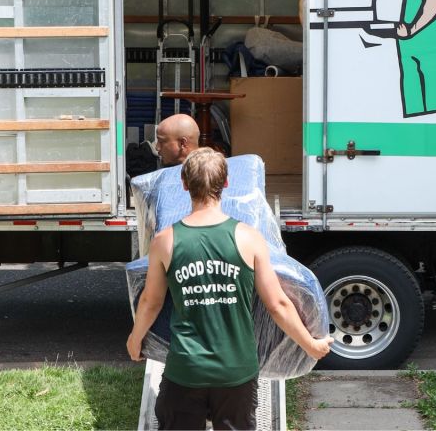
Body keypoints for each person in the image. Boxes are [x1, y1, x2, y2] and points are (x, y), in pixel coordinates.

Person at [127, 148, 333, 430]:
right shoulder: (250, 238)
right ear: (225, 184)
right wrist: (311, 345)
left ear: (184, 185)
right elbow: (278, 305)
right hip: (237, 371)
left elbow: (151, 301)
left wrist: (135, 340)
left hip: (187, 370)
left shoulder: (165, 241)